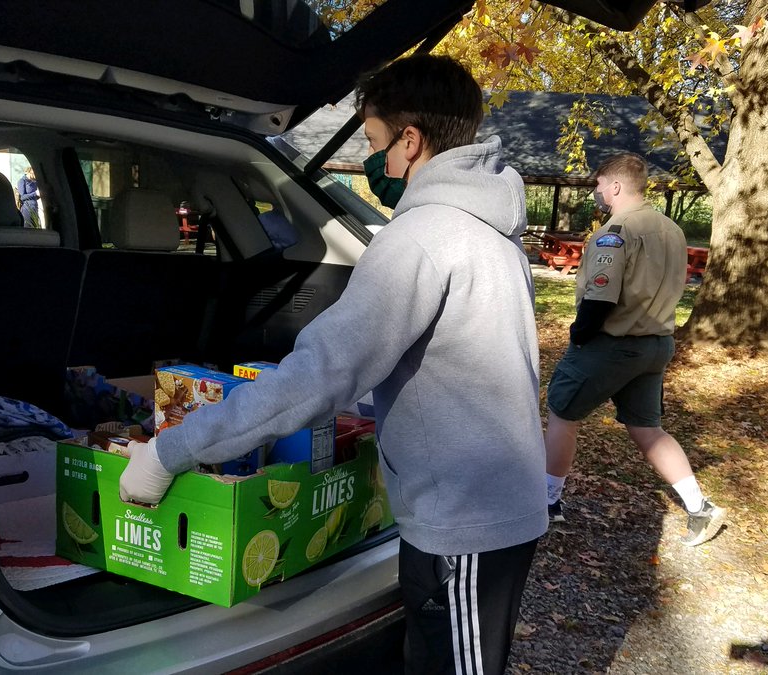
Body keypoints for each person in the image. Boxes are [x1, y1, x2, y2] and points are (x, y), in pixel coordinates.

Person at [120, 54, 547, 675]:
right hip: (488, 500)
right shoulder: (491, 227)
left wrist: (168, 452)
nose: (374, 163)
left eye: (374, 143)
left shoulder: (419, 238)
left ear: (411, 139)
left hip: (462, 522)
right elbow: (452, 363)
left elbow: (315, 379)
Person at [543, 153, 727, 547]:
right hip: (657, 343)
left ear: (614, 186)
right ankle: (699, 506)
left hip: (613, 343)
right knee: (647, 427)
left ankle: (546, 503)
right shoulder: (672, 230)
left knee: (562, 413)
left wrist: (579, 334)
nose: (596, 192)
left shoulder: (616, 231)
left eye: (598, 185)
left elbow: (601, 297)